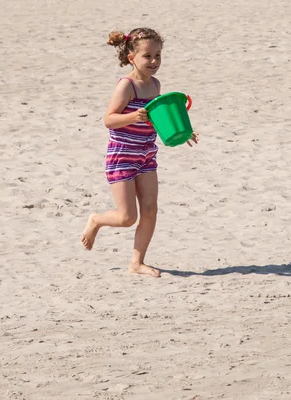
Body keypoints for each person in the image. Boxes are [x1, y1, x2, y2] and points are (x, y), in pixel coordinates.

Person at [81, 27, 198, 277]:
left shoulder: (155, 84)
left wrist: (183, 130)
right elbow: (108, 120)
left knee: (150, 210)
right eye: (147, 56)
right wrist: (133, 115)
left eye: (158, 55)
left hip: (146, 154)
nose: (154, 61)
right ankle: (96, 220)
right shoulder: (126, 86)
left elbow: (156, 119)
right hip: (122, 155)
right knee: (126, 217)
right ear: (132, 58)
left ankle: (137, 262)